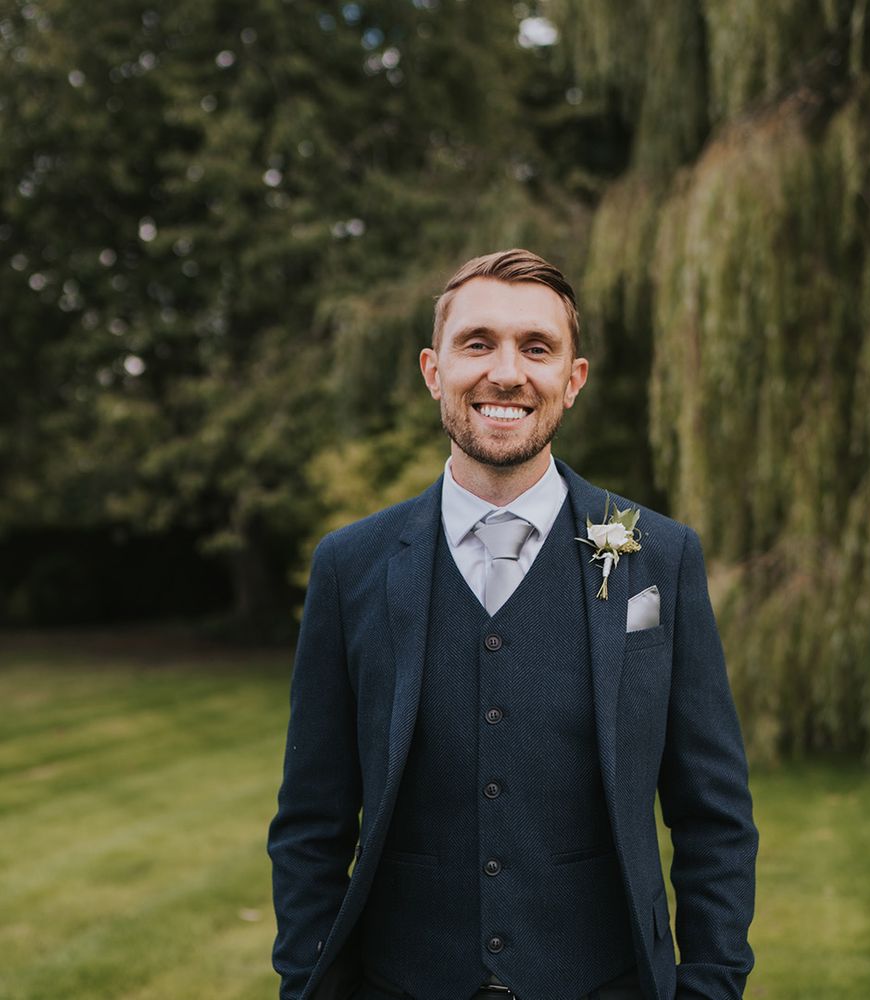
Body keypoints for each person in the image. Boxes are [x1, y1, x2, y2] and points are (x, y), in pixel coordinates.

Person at [267, 249, 757, 1000]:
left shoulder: (660, 557)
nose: (506, 372)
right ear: (433, 371)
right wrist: (308, 985)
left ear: (573, 379)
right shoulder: (350, 565)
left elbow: (714, 816)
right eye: (477, 343)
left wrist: (712, 988)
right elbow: (310, 822)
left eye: (536, 348)